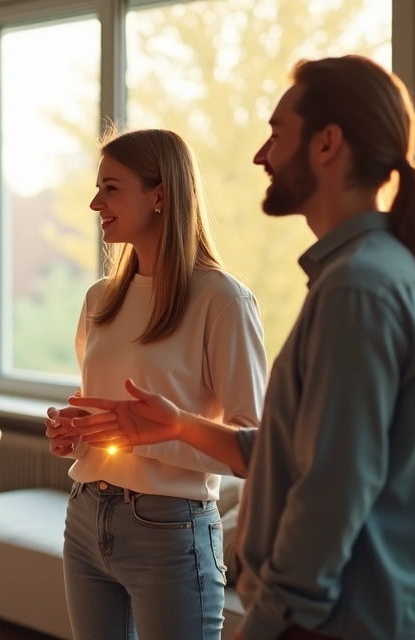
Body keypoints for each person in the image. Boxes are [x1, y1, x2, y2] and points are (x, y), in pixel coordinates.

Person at [69, 56, 415, 640]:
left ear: (327, 143)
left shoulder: (357, 287)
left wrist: (268, 619)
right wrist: (176, 426)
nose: (262, 155)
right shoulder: (359, 275)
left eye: (276, 134)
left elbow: (333, 488)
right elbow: (296, 450)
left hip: (345, 618)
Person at [44, 128, 268, 639]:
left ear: (160, 194)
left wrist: (154, 436)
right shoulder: (100, 298)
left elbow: (251, 443)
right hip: (85, 514)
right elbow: (102, 412)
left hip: (171, 527)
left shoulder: (222, 299)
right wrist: (73, 431)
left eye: (112, 188)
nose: (95, 201)